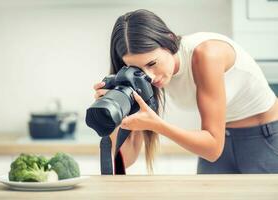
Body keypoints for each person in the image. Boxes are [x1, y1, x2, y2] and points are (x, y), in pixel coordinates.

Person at [93, 9, 278, 174]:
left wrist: (157, 125)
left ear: (170, 40)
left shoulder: (206, 55)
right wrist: (115, 112)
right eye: (138, 69)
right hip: (220, 138)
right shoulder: (142, 78)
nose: (148, 76)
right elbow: (128, 159)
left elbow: (213, 149)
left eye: (152, 63)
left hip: (264, 137)